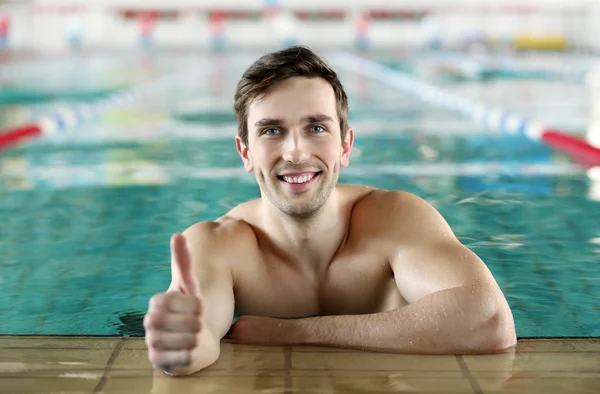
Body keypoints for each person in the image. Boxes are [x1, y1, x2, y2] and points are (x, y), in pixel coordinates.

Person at [143, 46, 517, 377]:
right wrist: (180, 348)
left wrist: (293, 332)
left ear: (345, 145)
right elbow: (200, 338)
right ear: (245, 152)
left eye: (317, 128)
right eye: (271, 131)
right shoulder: (217, 245)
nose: (296, 153)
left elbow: (489, 320)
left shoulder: (395, 219)